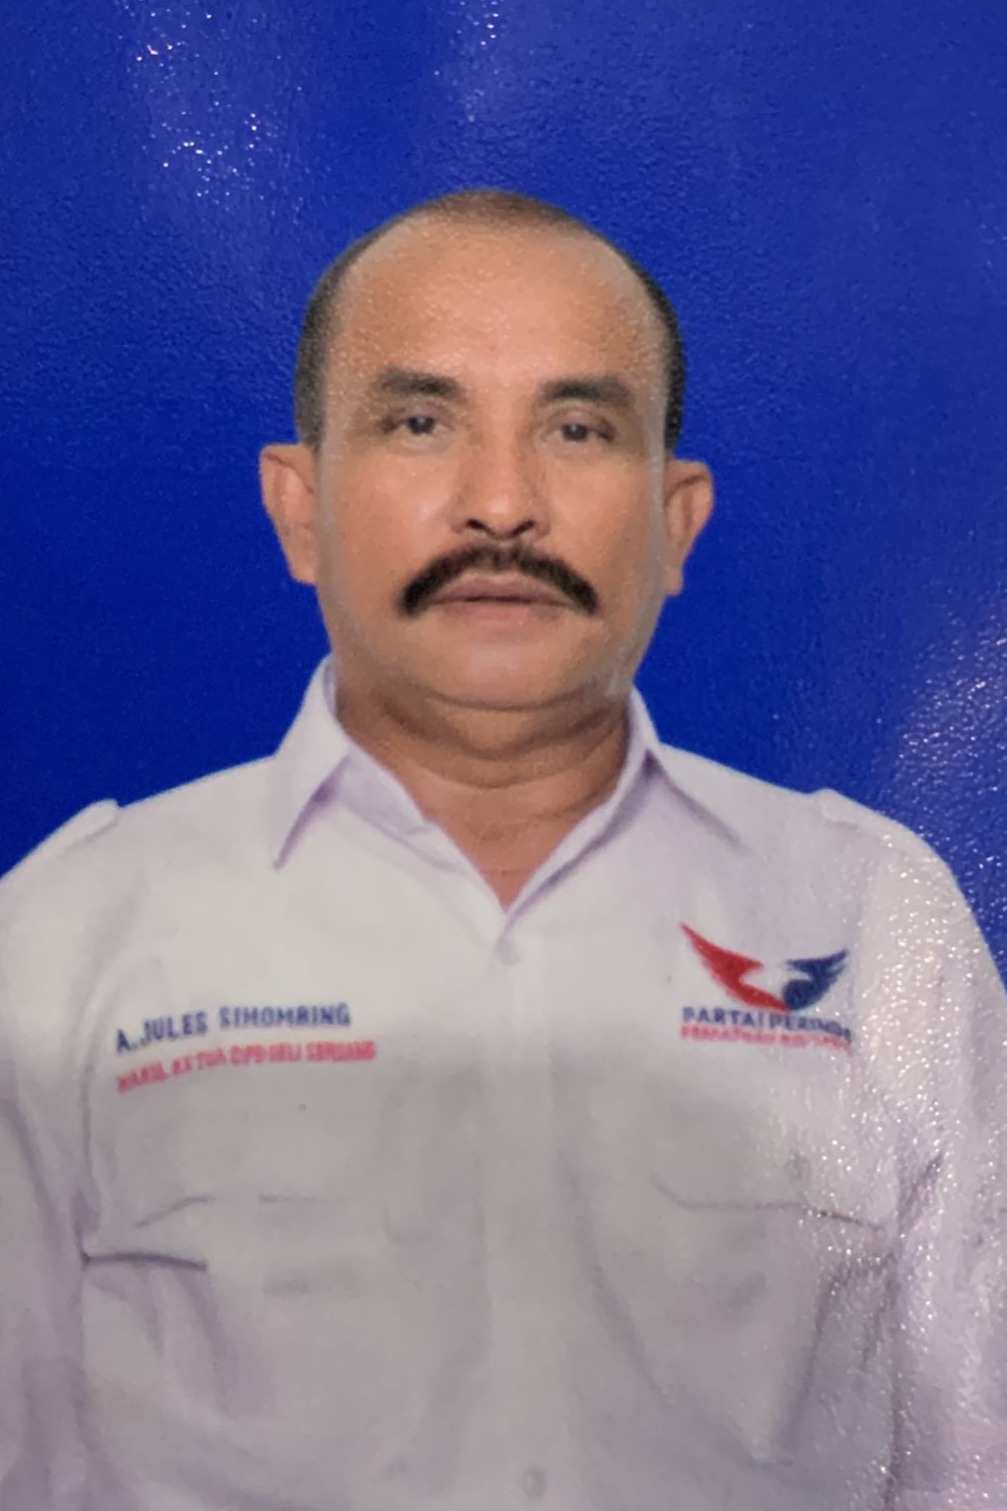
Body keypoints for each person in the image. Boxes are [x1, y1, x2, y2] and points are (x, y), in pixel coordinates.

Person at [1, 188, 1005, 1511]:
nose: (500, 504)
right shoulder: (69, 938)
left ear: (676, 521)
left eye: (577, 429)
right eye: (420, 423)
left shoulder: (869, 918)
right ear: (298, 508)